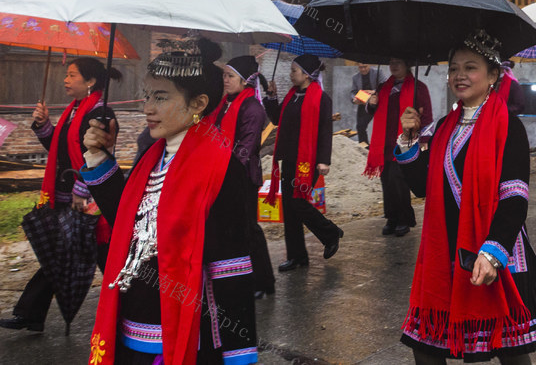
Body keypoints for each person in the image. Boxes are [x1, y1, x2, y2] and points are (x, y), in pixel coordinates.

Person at [80, 38, 258, 363]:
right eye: (148, 95)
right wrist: (98, 157)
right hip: (133, 320)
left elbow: (231, 268)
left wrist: (238, 352)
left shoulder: (220, 168)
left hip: (186, 327)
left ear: (198, 104)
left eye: (160, 97)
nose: (147, 108)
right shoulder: (154, 157)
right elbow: (128, 222)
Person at [396, 29, 536, 363]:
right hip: (448, 251)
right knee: (424, 345)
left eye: (470, 67)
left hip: (495, 249)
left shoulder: (508, 125)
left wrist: (493, 252)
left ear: (493, 75)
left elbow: (515, 197)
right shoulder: (443, 126)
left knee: (508, 345)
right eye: (454, 68)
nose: (459, 75)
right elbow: (423, 187)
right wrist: (408, 140)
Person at [0, 58, 119, 333]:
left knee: (105, 254)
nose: (65, 79)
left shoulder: (101, 112)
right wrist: (44, 126)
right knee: (60, 252)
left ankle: (131, 306)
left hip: (89, 197)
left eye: (71, 75)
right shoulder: (74, 110)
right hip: (68, 195)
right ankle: (30, 313)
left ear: (89, 82)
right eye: (66, 75)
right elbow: (62, 148)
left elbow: (100, 157)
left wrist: (82, 188)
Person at [264, 53, 343, 271]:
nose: (290, 75)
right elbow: (276, 119)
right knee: (289, 208)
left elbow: (326, 131)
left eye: (294, 71)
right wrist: (271, 98)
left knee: (298, 202)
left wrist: (324, 160)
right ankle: (297, 256)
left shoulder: (321, 98)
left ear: (307, 75)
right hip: (289, 158)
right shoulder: (291, 96)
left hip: (309, 160)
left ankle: (330, 232)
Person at [213, 54, 275, 300]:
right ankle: (242, 276)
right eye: (224, 76)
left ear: (245, 81)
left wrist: (226, 171)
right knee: (233, 228)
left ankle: (263, 280)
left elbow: (245, 148)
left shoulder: (252, 108)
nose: (225, 80)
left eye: (230, 76)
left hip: (242, 176)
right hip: (224, 173)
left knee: (249, 229)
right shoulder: (225, 103)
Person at [365, 57, 433, 236]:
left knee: (399, 179)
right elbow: (373, 110)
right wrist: (371, 104)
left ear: (407, 65)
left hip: (405, 141)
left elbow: (427, 116)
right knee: (386, 181)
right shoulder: (384, 87)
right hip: (384, 142)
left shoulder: (419, 88)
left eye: (398, 62)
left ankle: (404, 218)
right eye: (391, 62)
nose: (393, 66)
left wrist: (425, 139)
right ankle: (391, 217)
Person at [351, 63, 382, 145]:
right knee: (360, 126)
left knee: (382, 126)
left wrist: (372, 92)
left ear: (369, 65)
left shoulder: (378, 72)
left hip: (379, 102)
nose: (363, 69)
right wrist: (354, 99)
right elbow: (353, 92)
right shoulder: (355, 77)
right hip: (364, 103)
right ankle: (364, 148)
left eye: (365, 67)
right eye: (361, 67)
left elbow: (385, 85)